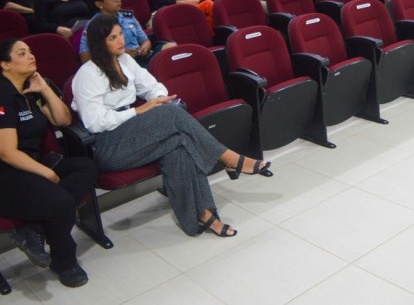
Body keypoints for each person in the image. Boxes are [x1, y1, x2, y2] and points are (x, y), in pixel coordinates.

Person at [72, 15, 271, 237]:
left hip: (135, 131)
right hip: (110, 145)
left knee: (180, 145)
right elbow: (94, 122)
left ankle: (203, 215)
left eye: (120, 34)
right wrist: (138, 111)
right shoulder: (87, 74)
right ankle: (229, 158)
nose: (121, 40)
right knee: (172, 115)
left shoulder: (125, 61)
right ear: (99, 43)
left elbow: (152, 85)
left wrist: (157, 98)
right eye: (113, 38)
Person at [0, 39, 97, 287]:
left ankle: (34, 226)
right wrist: (46, 173)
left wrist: (44, 89)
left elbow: (63, 120)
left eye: (30, 52)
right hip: (4, 177)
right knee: (62, 202)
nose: (31, 56)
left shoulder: (30, 91)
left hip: (32, 167)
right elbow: (7, 153)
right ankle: (64, 262)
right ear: (5, 65)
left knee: (87, 167)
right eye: (22, 53)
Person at [78, 0, 173, 65]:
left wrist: (145, 47)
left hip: (141, 56)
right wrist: (119, 54)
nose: (118, 0)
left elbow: (145, 40)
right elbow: (85, 57)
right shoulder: (93, 25)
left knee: (170, 47)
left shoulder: (128, 16)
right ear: (99, 4)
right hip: (120, 63)